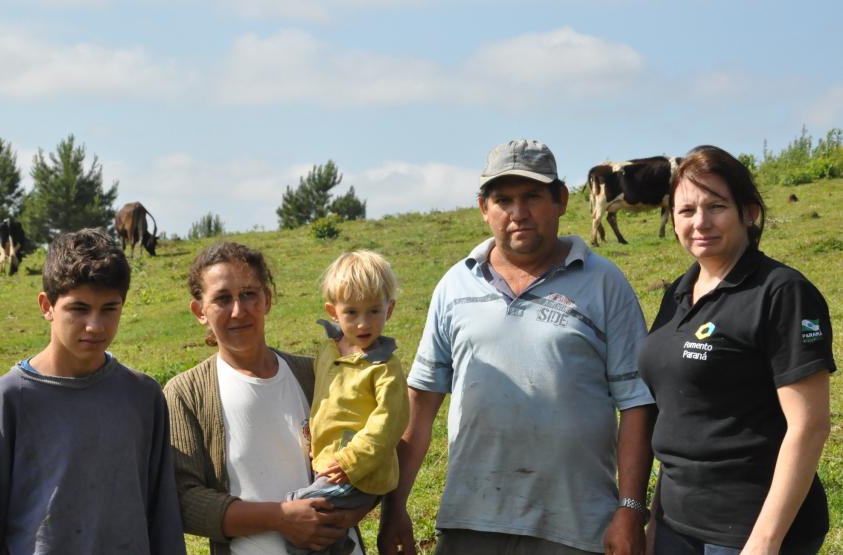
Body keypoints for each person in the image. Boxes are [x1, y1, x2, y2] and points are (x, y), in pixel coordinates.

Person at [378, 139, 656, 555]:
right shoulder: (455, 285)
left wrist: (630, 509)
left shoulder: (603, 283)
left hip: (576, 526)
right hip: (470, 522)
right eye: (503, 199)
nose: (518, 212)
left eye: (533, 197)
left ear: (561, 200)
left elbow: (636, 403)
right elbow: (420, 405)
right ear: (483, 208)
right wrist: (395, 506)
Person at [638, 146, 834, 555]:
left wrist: (764, 542)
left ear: (748, 212)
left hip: (749, 532)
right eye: (686, 210)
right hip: (676, 527)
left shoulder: (781, 292)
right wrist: (655, 519)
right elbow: (676, 414)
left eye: (716, 206)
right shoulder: (677, 293)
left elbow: (809, 425)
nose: (700, 222)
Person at [0, 228, 185, 554]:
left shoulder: (143, 396)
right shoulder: (6, 400)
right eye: (78, 309)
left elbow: (163, 519)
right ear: (47, 305)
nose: (95, 325)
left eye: (109, 308)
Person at [164, 242, 369, 555]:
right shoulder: (185, 394)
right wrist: (281, 518)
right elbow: (184, 498)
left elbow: (373, 450)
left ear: (267, 299)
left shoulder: (316, 374)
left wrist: (349, 512)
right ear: (199, 311)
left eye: (249, 294)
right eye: (222, 298)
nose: (238, 310)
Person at [286, 250, 410, 555]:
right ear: (333, 311)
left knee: (299, 512)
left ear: (389, 310)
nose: (363, 323)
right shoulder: (329, 350)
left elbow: (388, 424)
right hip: (329, 461)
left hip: (358, 470)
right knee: (326, 529)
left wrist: (351, 459)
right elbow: (325, 400)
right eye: (352, 313)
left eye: (373, 311)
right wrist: (314, 432)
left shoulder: (384, 367)